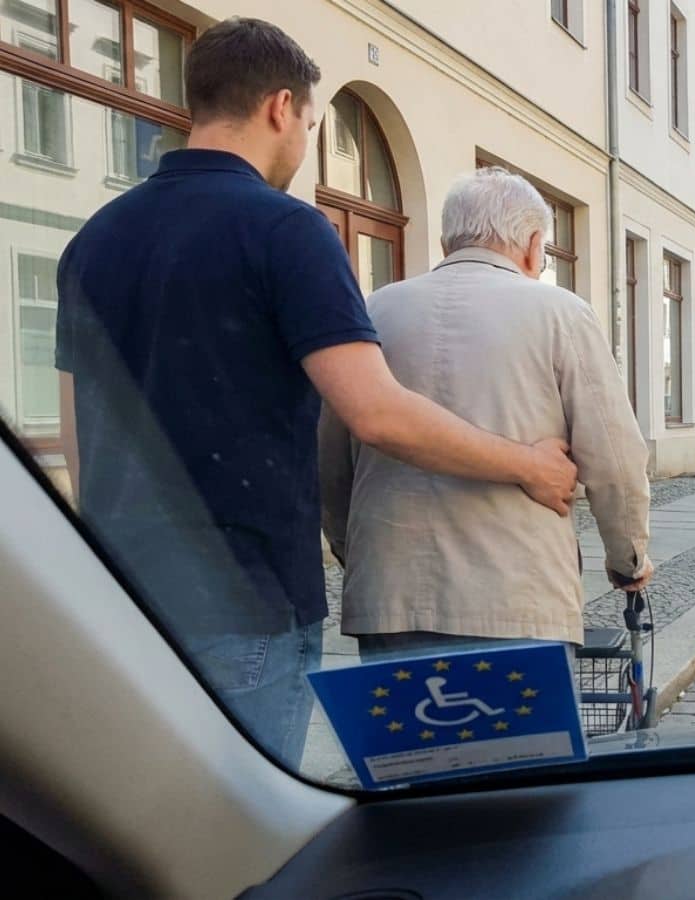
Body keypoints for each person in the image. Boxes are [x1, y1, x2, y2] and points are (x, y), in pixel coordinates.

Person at [53, 19, 577, 766]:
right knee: (247, 839)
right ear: (279, 107)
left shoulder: (92, 242)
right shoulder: (286, 231)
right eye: (309, 122)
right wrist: (528, 465)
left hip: (124, 605)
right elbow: (374, 412)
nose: (304, 142)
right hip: (246, 604)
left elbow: (79, 442)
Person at [320, 168, 653, 665]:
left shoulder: (373, 310)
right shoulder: (560, 313)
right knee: (524, 744)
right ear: (533, 244)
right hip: (518, 594)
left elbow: (330, 458)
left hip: (391, 596)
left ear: (445, 240)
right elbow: (614, 457)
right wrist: (628, 560)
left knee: (415, 741)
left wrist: (357, 552)